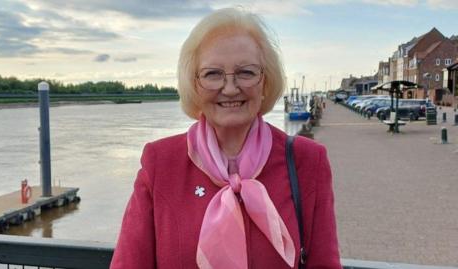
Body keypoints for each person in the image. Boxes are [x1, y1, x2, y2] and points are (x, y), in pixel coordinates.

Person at [111, 7, 340, 269]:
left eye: (246, 72)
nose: (230, 88)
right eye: (212, 74)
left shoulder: (307, 160)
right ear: (194, 85)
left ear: (265, 83)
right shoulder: (160, 163)